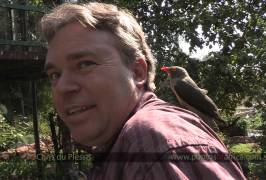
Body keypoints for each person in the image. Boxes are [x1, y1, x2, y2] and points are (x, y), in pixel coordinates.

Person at [41, 2, 246, 180]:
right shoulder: (125, 144)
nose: (63, 88)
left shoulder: (152, 143)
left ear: (138, 72)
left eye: (85, 64)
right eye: (54, 75)